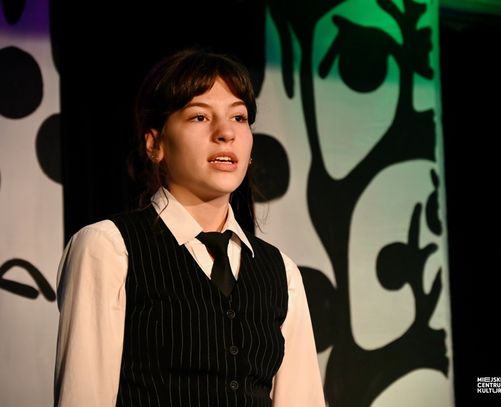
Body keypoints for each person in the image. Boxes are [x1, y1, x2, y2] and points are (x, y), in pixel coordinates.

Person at [54, 48, 325, 407]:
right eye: (200, 116)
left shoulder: (280, 272)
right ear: (155, 144)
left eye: (239, 117)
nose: (225, 133)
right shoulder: (109, 248)